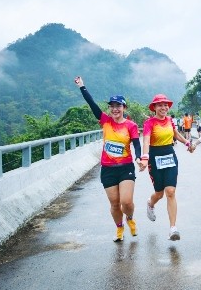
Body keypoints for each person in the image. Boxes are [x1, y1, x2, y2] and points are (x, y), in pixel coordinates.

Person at [74, 76, 141, 242]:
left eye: (118, 106)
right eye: (112, 106)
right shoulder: (105, 121)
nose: (115, 109)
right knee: (114, 203)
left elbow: (137, 144)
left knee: (126, 202)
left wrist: (139, 158)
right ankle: (119, 228)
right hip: (108, 169)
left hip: (126, 167)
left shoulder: (130, 126)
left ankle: (130, 218)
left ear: (124, 107)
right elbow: (92, 105)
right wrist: (82, 86)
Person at [138, 94, 192, 241]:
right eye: (160, 105)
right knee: (159, 193)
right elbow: (146, 140)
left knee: (170, 191)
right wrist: (144, 157)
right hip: (155, 158)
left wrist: (187, 143)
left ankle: (173, 228)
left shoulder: (169, 120)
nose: (163, 107)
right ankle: (150, 203)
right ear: (154, 107)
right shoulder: (149, 123)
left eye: (165, 105)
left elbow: (175, 134)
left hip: (169, 154)